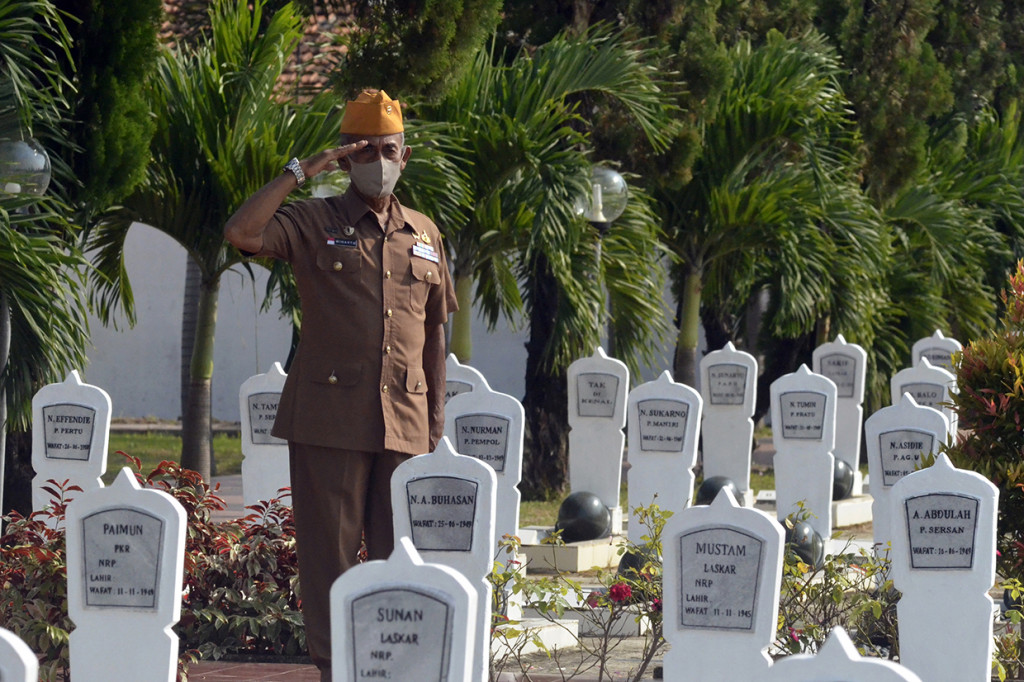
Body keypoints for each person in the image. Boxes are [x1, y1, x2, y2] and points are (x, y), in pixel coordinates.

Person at [223, 89, 457, 680]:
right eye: (366, 150)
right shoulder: (313, 219)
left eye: (389, 149)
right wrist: (303, 171)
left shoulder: (424, 232)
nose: (379, 159)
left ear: (407, 155)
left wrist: (434, 424)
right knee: (329, 557)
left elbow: (435, 333)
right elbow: (243, 232)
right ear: (348, 159)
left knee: (398, 558)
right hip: (329, 419)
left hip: (405, 422)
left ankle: (392, 668)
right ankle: (336, 670)